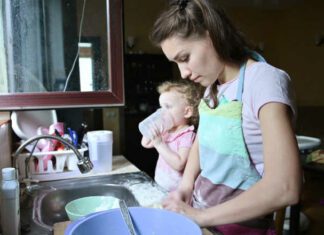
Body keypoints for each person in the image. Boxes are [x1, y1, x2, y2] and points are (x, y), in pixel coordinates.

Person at [150, 0, 302, 234]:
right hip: (206, 220)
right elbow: (202, 142)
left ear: (212, 36)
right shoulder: (212, 88)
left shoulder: (264, 81)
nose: (184, 73)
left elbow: (285, 187)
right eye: (176, 63)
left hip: (241, 228)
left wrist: (201, 217)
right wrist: (186, 186)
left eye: (185, 57)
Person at [141, 80, 203, 192]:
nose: (162, 112)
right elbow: (146, 143)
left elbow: (179, 164)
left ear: (187, 112)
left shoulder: (187, 135)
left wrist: (159, 144)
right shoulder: (166, 130)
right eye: (161, 107)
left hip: (176, 192)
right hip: (160, 185)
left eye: (168, 107)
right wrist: (152, 123)